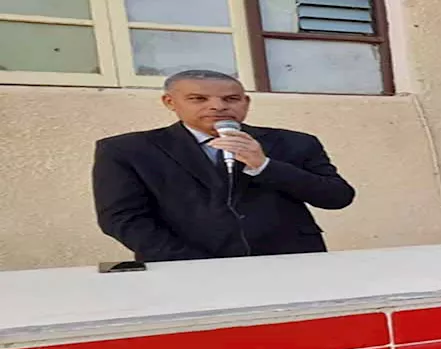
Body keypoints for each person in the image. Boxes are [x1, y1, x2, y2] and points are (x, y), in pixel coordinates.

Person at [92, 70, 355, 262]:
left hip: (291, 263)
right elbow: (122, 219)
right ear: (170, 102)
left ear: (246, 102)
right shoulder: (127, 150)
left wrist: (265, 166)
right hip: (185, 269)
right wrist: (195, 264)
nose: (217, 107)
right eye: (198, 99)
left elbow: (337, 197)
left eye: (231, 99)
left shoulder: (294, 142)